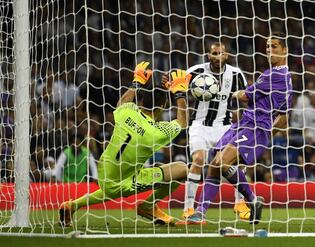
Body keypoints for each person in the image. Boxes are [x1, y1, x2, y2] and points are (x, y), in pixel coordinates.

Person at [59, 62, 191, 227]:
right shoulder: (156, 133)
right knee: (182, 169)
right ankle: (148, 206)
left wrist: (136, 83)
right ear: (163, 107)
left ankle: (72, 205)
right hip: (126, 179)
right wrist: (180, 94)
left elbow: (122, 101)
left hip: (105, 170)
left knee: (113, 184)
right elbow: (183, 122)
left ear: (141, 101)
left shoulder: (126, 111)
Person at [181, 32, 292, 224]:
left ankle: (252, 199)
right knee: (215, 164)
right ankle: (200, 212)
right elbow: (283, 117)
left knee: (223, 162)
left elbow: (245, 97)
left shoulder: (275, 75)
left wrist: (235, 94)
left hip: (254, 127)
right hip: (244, 124)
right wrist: (269, 134)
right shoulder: (284, 76)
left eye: (274, 46)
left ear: (285, 50)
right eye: (267, 46)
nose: (269, 50)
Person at [173, 42, 250, 220]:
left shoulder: (236, 74)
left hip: (224, 126)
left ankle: (240, 203)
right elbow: (176, 83)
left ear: (227, 55)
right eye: (214, 53)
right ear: (208, 55)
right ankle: (189, 208)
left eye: (220, 53)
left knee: (238, 161)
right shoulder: (196, 71)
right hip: (199, 125)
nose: (217, 57)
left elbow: (247, 97)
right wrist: (170, 83)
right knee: (199, 159)